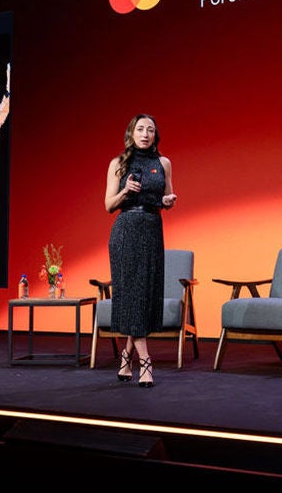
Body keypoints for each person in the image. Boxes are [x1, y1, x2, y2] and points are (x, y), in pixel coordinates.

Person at [104, 113, 177, 387]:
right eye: (140, 129)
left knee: (144, 296)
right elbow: (108, 205)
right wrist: (125, 191)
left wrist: (168, 201)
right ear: (131, 134)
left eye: (150, 130)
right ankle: (145, 362)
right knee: (132, 294)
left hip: (152, 230)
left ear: (155, 135)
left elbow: (166, 196)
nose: (145, 134)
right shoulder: (118, 164)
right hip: (126, 231)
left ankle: (126, 357)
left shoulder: (163, 163)